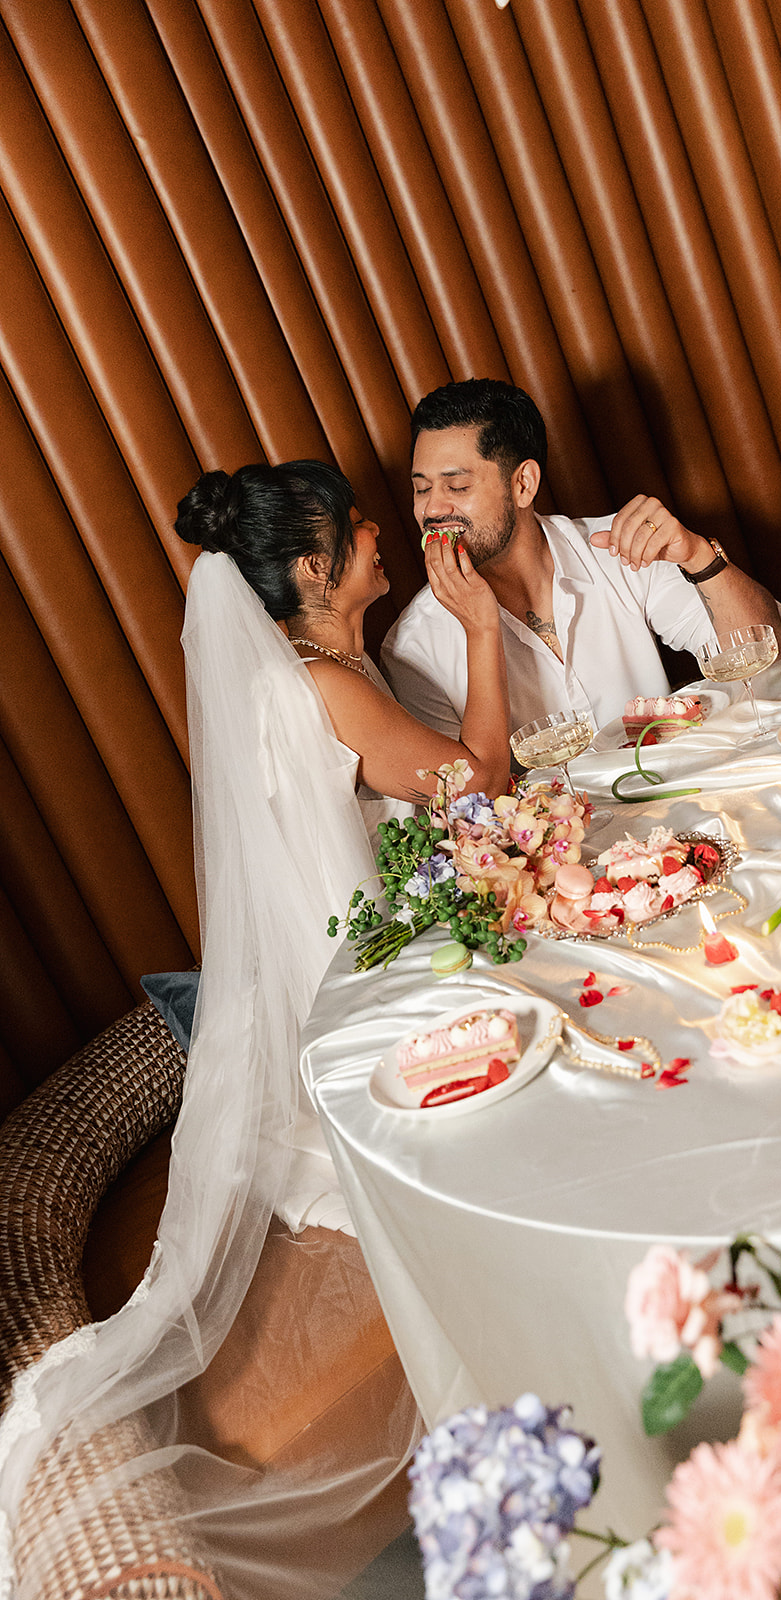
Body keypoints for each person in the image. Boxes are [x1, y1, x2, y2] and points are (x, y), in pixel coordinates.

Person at [0, 461, 508, 1600]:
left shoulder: (295, 674)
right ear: (317, 566)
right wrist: (482, 633)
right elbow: (476, 784)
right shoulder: (319, 685)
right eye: (362, 526)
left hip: (350, 969)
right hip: (375, 1004)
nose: (384, 531)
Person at [381, 378, 781, 738]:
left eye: (456, 485)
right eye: (421, 489)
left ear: (524, 483)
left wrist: (698, 556)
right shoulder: (414, 646)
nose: (431, 510)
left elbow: (763, 660)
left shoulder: (616, 548)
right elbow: (468, 800)